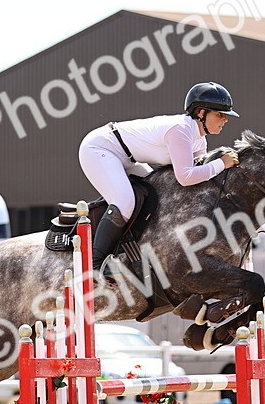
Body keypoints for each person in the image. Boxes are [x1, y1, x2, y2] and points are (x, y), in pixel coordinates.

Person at [78, 82, 241, 272]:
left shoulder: (199, 140)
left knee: (159, 195)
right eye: (220, 114)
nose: (225, 120)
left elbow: (197, 178)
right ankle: (94, 265)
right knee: (125, 201)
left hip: (127, 157)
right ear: (201, 113)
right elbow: (186, 176)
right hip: (100, 148)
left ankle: (131, 253)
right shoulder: (181, 130)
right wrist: (222, 163)